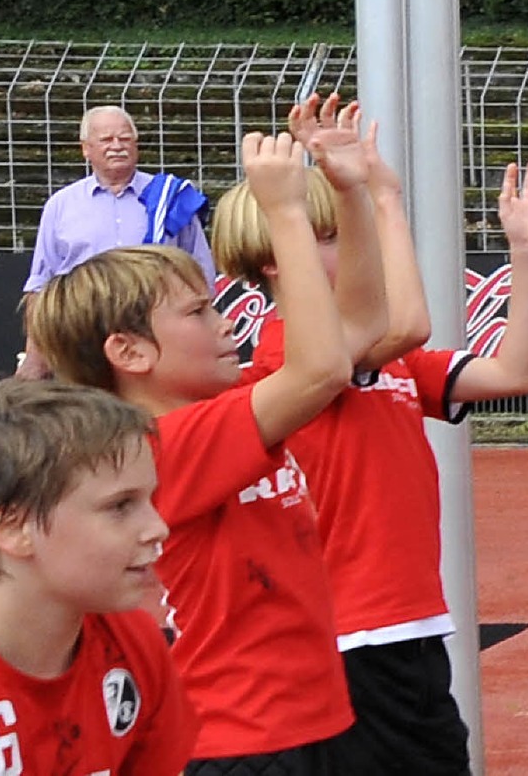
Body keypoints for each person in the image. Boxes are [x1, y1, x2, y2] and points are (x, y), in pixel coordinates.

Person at [210, 91, 528, 775]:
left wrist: (526, 255)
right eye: (326, 236)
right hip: (348, 639)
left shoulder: (383, 358)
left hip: (401, 633)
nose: (349, 246)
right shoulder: (290, 360)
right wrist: (379, 198)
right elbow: (406, 322)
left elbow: (517, 371)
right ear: (271, 257)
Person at [27, 129, 387, 774]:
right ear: (129, 352)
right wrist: (284, 212)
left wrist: (352, 193)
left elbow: (358, 329)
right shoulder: (162, 446)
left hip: (301, 724)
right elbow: (325, 368)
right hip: (239, 740)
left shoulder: (219, 415)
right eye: (198, 313)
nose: (224, 324)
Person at [0, 377, 198, 774]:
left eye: (149, 500)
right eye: (120, 506)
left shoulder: (134, 643)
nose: (158, 527)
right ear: (13, 528)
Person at [17, 105, 216, 379]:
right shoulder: (61, 205)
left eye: (124, 138)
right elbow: (41, 285)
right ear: (86, 149)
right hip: (83, 337)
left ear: (136, 145)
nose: (117, 146)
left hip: (155, 336)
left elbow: (201, 274)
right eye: (106, 140)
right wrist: (34, 357)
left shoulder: (170, 199)